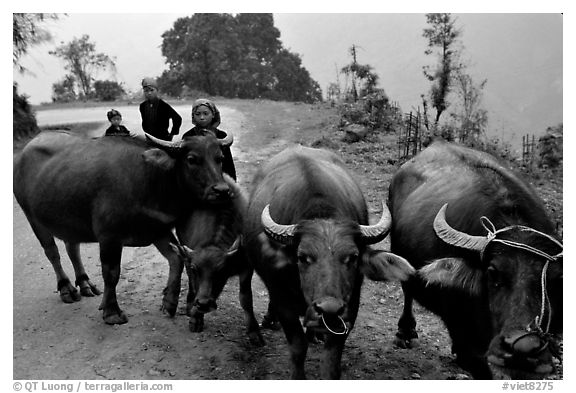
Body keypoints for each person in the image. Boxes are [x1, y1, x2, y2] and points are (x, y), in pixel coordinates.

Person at [182, 98, 237, 181]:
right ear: (193, 115)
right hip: (196, 180)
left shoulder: (221, 136)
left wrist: (232, 183)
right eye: (197, 114)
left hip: (218, 179)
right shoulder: (188, 136)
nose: (202, 117)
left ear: (213, 114)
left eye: (205, 113)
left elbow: (228, 165)